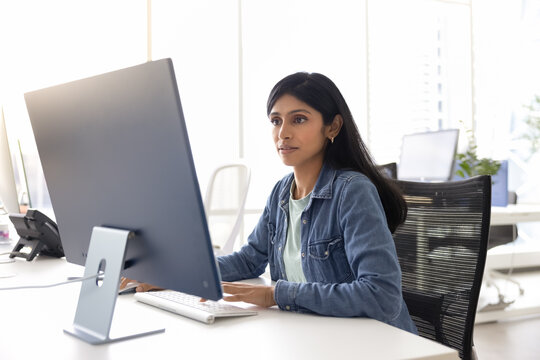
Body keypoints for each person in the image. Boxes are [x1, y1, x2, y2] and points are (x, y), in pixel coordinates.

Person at [125, 72, 417, 334]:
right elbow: (248, 259)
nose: (283, 133)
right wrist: (178, 275)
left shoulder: (352, 192)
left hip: (375, 341)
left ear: (333, 127)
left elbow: (381, 295)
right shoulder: (281, 192)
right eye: (276, 121)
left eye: (298, 119)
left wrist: (275, 294)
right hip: (315, 335)